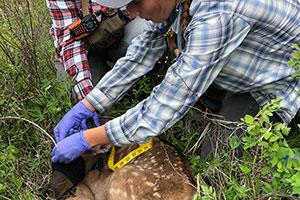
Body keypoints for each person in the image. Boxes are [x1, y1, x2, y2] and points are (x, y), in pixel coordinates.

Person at [51, 0, 300, 164]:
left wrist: (89, 139)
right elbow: (139, 55)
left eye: (136, 2)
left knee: (217, 160)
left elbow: (163, 108)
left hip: (278, 85)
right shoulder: (175, 5)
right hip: (248, 63)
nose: (134, 13)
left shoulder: (219, 14)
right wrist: (88, 104)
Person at [46, 0, 146, 100]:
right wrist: (86, 97)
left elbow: (138, 9)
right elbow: (71, 42)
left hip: (119, 32)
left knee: (149, 29)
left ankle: (141, 82)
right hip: (84, 47)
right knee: (79, 97)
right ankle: (109, 75)